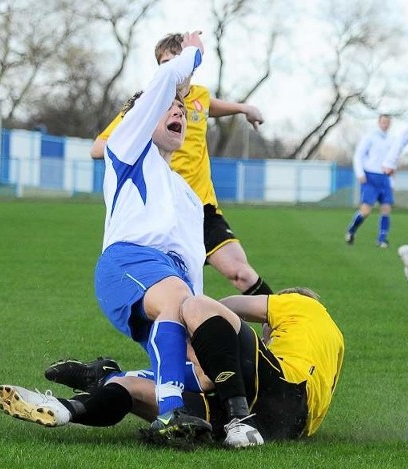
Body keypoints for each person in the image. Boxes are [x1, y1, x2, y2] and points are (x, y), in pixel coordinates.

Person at [0, 288, 344, 449]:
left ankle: (239, 420)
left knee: (194, 306)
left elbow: (228, 306)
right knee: (140, 393)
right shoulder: (332, 346)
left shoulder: (301, 304)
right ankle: (69, 408)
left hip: (276, 392)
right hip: (285, 427)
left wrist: (199, 327)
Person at [87, 30, 216, 441]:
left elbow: (193, 269)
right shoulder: (128, 147)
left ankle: (109, 378)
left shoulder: (188, 197)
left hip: (172, 282)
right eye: (169, 108)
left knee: (206, 374)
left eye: (182, 108)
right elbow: (162, 85)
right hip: (128, 263)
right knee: (176, 297)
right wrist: (192, 54)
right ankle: (170, 416)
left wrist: (199, 320)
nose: (178, 112)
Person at [90, 33, 272, 296]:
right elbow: (98, 147)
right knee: (176, 293)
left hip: (201, 207)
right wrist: (131, 145)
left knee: (241, 273)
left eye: (175, 60)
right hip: (163, 212)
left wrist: (244, 108)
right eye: (163, 63)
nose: (170, 68)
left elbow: (209, 107)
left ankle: (285, 321)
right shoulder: (148, 105)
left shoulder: (199, 98)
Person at [345, 114, 398, 248]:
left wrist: (392, 180)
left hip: (385, 177)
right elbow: (359, 155)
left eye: (388, 122)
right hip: (370, 177)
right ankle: (351, 231)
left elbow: (393, 160)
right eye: (383, 122)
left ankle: (382, 239)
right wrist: (360, 173)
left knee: (386, 208)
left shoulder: (392, 140)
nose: (385, 124)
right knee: (366, 211)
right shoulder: (370, 137)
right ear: (379, 122)